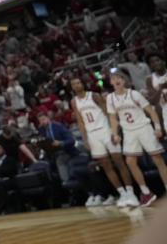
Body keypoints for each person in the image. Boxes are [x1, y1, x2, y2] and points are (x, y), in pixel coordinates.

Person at [69, 76, 136, 207]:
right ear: (72, 87)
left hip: (105, 130)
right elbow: (80, 122)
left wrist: (114, 131)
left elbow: (108, 112)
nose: (77, 85)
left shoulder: (94, 96)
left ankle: (130, 192)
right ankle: (121, 193)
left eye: (78, 82)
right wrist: (85, 139)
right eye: (74, 84)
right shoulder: (74, 101)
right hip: (92, 135)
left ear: (83, 84)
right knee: (106, 166)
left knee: (119, 162)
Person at [107, 69, 167, 207]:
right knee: (130, 162)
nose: (117, 80)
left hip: (144, 128)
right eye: (114, 78)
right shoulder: (110, 98)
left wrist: (157, 128)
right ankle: (146, 192)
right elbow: (112, 118)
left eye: (119, 78)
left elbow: (151, 111)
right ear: (110, 82)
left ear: (124, 81)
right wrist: (115, 134)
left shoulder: (134, 94)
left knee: (157, 159)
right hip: (128, 132)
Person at [35, 111, 78, 183]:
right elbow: (44, 141)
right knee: (43, 163)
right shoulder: (41, 128)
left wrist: (60, 143)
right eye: (40, 121)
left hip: (66, 150)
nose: (42, 122)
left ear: (48, 118)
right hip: (52, 153)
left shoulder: (58, 126)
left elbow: (71, 141)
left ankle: (67, 182)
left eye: (43, 119)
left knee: (60, 160)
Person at [147, 53, 167, 125]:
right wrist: (161, 88)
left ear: (163, 61)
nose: (155, 63)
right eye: (152, 62)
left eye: (157, 60)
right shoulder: (150, 79)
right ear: (150, 66)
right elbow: (153, 102)